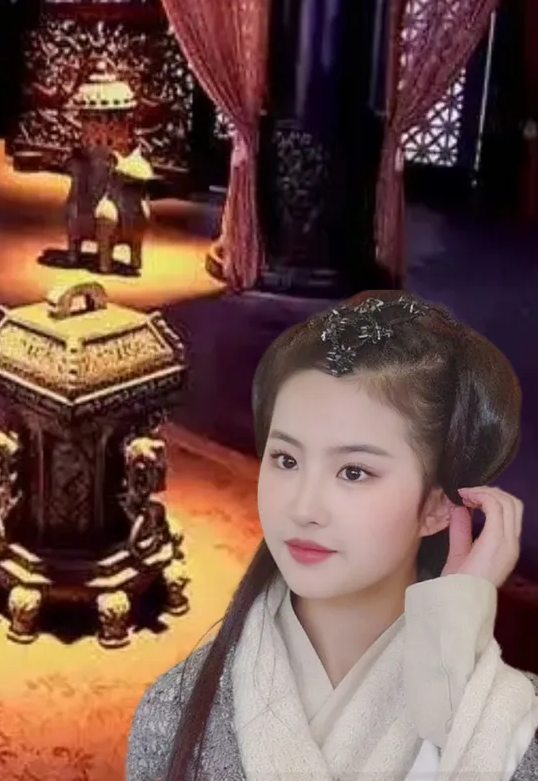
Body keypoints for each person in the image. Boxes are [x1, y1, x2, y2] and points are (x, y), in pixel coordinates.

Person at [126, 290, 538, 781]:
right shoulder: (174, 712)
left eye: (353, 472)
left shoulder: (515, 728)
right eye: (286, 460)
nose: (302, 508)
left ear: (437, 506)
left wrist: (451, 642)